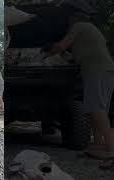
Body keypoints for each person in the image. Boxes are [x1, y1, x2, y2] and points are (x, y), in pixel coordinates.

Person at [46, 12, 114, 168]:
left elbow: (61, 46)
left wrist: (48, 51)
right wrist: (62, 53)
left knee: (96, 109)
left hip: (97, 71)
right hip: (106, 71)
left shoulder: (79, 26)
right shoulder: (91, 30)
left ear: (74, 18)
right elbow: (73, 57)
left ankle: (111, 150)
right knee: (99, 110)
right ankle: (97, 147)